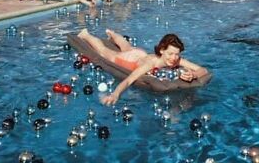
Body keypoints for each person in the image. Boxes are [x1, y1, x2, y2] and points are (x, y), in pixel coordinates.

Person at [77, 28, 207, 105]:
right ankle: (85, 34)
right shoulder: (151, 64)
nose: (174, 58)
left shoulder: (176, 60)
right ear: (162, 50)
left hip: (140, 54)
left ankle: (113, 35)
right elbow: (129, 79)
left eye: (177, 55)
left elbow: (203, 70)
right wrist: (115, 94)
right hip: (129, 60)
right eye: (170, 53)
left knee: (127, 47)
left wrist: (194, 75)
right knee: (103, 51)